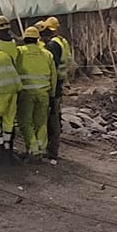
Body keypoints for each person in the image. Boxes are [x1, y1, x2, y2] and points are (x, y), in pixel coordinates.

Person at [13, 20, 55, 159]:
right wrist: (53, 93)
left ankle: (32, 149)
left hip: (26, 93)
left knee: (25, 121)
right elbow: (53, 75)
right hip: (44, 93)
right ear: (38, 39)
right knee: (41, 122)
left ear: (25, 39)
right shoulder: (47, 54)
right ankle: (42, 149)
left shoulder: (19, 52)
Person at [39, 18, 71, 163]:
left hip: (54, 83)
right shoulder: (61, 41)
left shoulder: (52, 45)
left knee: (51, 117)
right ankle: (52, 148)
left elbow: (52, 67)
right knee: (55, 114)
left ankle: (51, 150)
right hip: (59, 81)